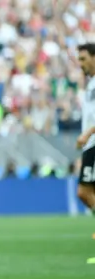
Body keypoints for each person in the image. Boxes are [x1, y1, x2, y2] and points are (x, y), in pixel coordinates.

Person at [74, 43, 95, 264]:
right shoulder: (90, 84)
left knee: (84, 192)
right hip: (90, 144)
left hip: (94, 143)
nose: (80, 64)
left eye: (83, 59)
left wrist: (86, 134)